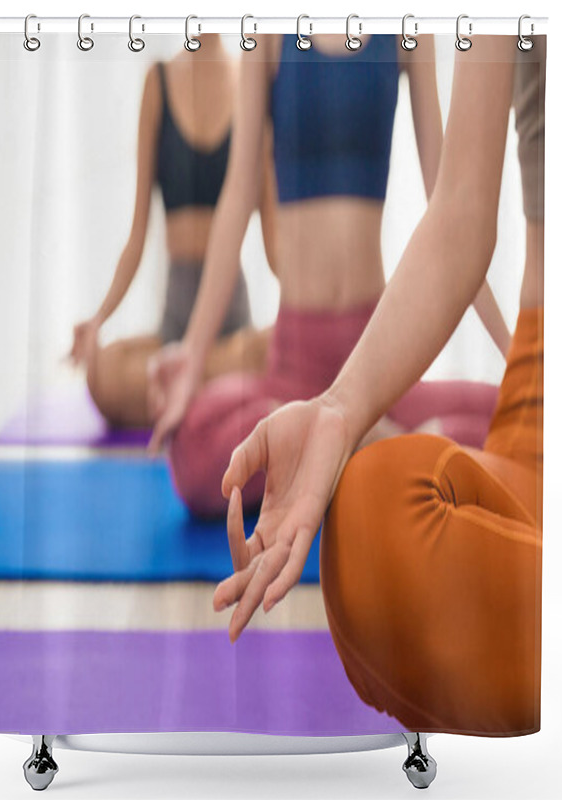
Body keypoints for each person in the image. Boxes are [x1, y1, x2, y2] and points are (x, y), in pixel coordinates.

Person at [212, 35, 545, 737]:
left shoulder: (407, 39)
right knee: (366, 512)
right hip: (514, 393)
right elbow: (457, 214)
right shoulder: (274, 38)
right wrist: (337, 412)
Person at [147, 33, 509, 517]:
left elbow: (456, 210)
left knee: (519, 418)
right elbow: (237, 197)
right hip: (293, 373)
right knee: (190, 449)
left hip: (377, 368)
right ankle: (379, 450)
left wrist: (516, 350)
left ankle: (350, 442)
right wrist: (192, 354)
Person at [68, 35, 274, 428]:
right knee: (103, 372)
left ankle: (189, 382)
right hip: (175, 325)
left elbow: (276, 246)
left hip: (234, 326)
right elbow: (137, 235)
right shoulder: (158, 82)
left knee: (276, 352)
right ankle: (208, 386)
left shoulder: (251, 79)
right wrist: (98, 318)